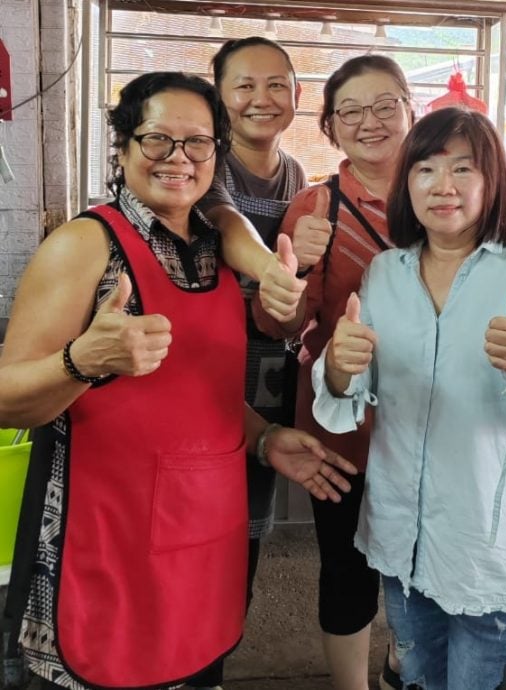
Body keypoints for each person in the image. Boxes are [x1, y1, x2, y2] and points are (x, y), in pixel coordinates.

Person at [0, 71, 356, 690]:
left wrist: (266, 438)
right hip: (104, 541)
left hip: (202, 538)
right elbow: (6, 401)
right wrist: (80, 361)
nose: (178, 158)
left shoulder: (213, 246)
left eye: (197, 143)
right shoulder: (85, 245)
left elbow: (201, 395)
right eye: (157, 140)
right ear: (124, 147)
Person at [311, 106, 506, 690]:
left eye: (464, 169)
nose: (443, 187)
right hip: (405, 540)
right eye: (426, 169)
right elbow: (350, 396)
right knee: (418, 679)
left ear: (492, 181)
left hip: (493, 549)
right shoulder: (385, 273)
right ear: (405, 181)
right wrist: (338, 368)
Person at [249, 54, 413, 690]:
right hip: (345, 423)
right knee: (347, 564)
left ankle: (406, 662)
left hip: (435, 421)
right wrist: (287, 288)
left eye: (384, 105)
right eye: (350, 111)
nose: (368, 122)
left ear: (410, 110)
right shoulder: (315, 207)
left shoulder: (451, 195)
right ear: (330, 127)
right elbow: (283, 330)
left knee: (422, 561)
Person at [188, 35, 308, 690]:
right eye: (243, 85)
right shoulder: (205, 163)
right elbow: (227, 221)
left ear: (296, 95)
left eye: (276, 85)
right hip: (202, 376)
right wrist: (272, 271)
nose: (260, 99)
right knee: (193, 534)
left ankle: (212, 661)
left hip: (269, 380)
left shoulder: (299, 179)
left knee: (244, 538)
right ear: (220, 96)